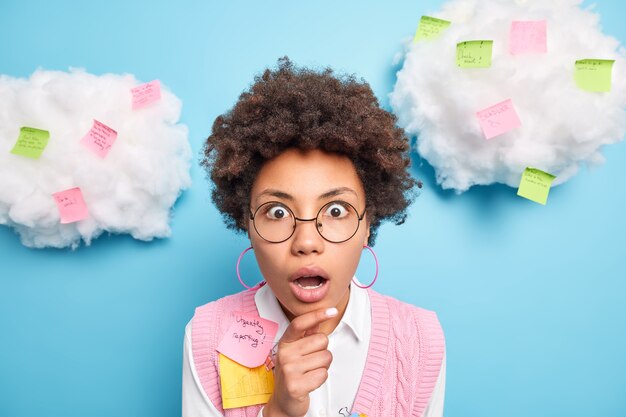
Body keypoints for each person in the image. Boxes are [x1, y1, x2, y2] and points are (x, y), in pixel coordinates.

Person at [183, 58, 446, 417]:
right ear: (247, 222)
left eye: (336, 210)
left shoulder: (421, 338)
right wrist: (278, 411)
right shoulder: (206, 334)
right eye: (277, 212)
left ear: (368, 221)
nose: (306, 241)